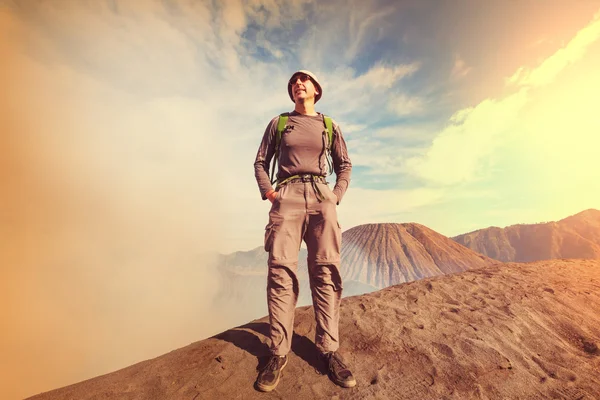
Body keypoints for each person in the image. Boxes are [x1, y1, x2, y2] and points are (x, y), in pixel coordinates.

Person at [253, 70, 355, 392]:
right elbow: (260, 162)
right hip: (288, 197)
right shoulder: (279, 123)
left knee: (326, 271)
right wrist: (271, 193)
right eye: (294, 82)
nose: (298, 83)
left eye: (304, 80)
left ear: (316, 89)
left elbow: (345, 165)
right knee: (281, 271)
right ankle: (278, 352)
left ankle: (329, 349)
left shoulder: (329, 125)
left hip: (322, 197)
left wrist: (334, 196)